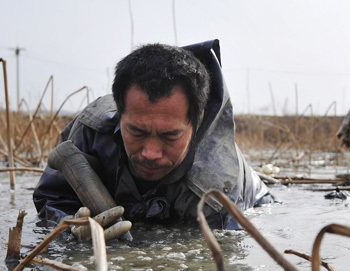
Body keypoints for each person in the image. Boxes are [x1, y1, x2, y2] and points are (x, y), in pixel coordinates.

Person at [32, 40, 274, 235]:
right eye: (137, 131)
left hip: (257, 200)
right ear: (120, 113)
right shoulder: (90, 129)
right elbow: (52, 198)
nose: (151, 153)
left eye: (170, 135)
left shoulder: (218, 192)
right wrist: (68, 228)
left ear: (196, 123)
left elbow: (212, 265)